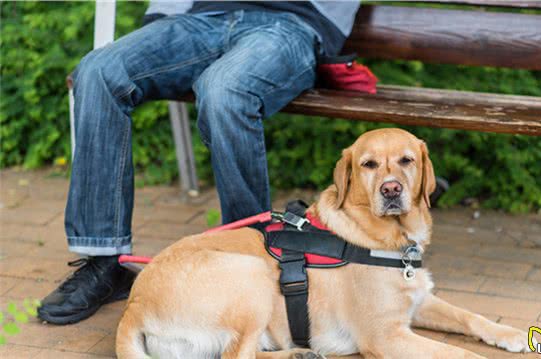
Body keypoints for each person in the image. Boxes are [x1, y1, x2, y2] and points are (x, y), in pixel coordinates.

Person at [37, 0, 360, 325]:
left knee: (225, 92)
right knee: (98, 71)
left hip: (288, 23)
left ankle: (250, 261)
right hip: (200, 17)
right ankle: (104, 263)